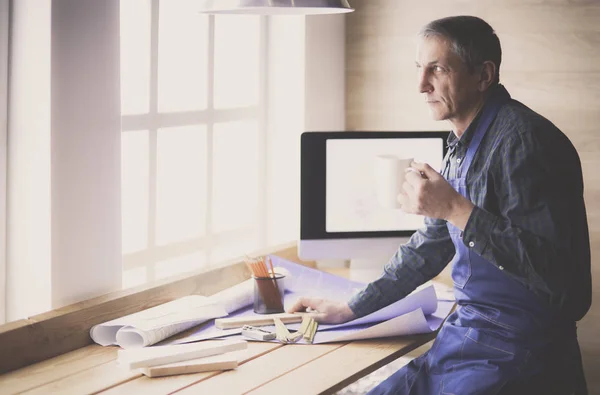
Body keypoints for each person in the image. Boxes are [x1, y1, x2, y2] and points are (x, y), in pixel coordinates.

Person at [288, 15, 591, 395]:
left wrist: (454, 208)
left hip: (520, 355)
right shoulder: (460, 143)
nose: (421, 85)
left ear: (484, 75)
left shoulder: (526, 143)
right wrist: (350, 308)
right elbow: (428, 247)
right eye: (419, 68)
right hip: (466, 338)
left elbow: (567, 288)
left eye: (438, 69)